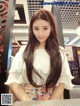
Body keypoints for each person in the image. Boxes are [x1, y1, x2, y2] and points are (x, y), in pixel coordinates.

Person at [5, 9, 74, 101]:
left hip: (51, 100)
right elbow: (13, 80)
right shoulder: (24, 50)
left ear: (51, 28)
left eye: (45, 28)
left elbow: (61, 82)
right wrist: (29, 103)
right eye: (36, 28)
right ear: (31, 29)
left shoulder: (59, 52)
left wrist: (49, 103)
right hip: (25, 99)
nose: (40, 33)